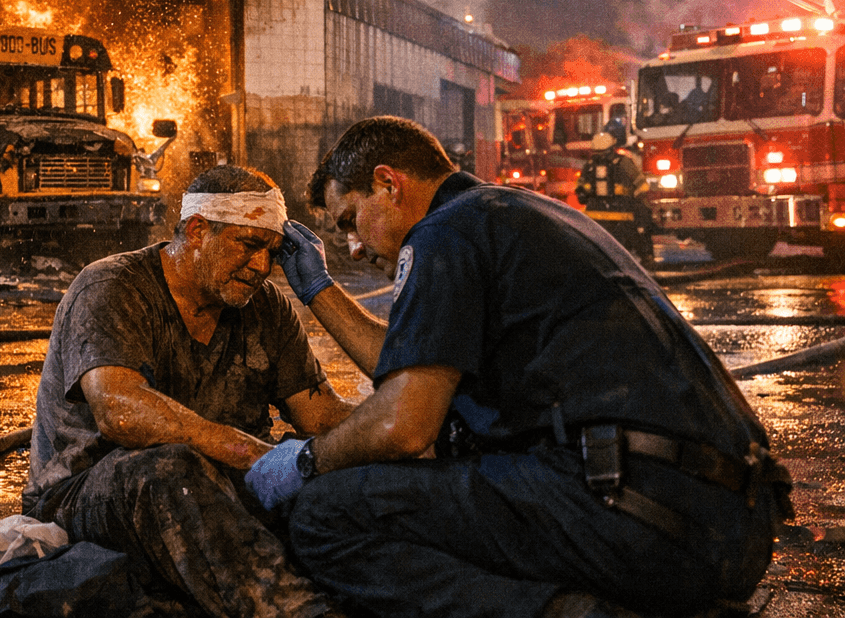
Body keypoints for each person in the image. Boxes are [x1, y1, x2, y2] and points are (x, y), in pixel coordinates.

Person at [246, 116, 791, 618]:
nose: (355, 246)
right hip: (729, 521)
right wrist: (319, 290)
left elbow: (404, 425)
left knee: (325, 515)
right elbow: (409, 369)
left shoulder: (443, 234)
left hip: (642, 518)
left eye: (350, 220)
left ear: (389, 184)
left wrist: (307, 462)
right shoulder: (506, 214)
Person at [20, 165, 350, 618]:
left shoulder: (267, 308)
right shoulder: (112, 286)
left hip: (216, 483)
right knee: (171, 470)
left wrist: (414, 428)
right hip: (86, 494)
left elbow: (323, 419)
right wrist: (255, 455)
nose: (261, 267)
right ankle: (298, 612)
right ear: (197, 230)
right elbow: (122, 411)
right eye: (249, 245)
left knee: (333, 473)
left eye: (272, 252)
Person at [575, 122, 655, 263]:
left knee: (600, 248)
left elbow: (581, 189)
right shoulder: (623, 162)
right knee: (636, 234)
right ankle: (646, 259)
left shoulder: (589, 166)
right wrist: (637, 201)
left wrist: (583, 193)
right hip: (621, 214)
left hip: (597, 217)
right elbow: (642, 185)